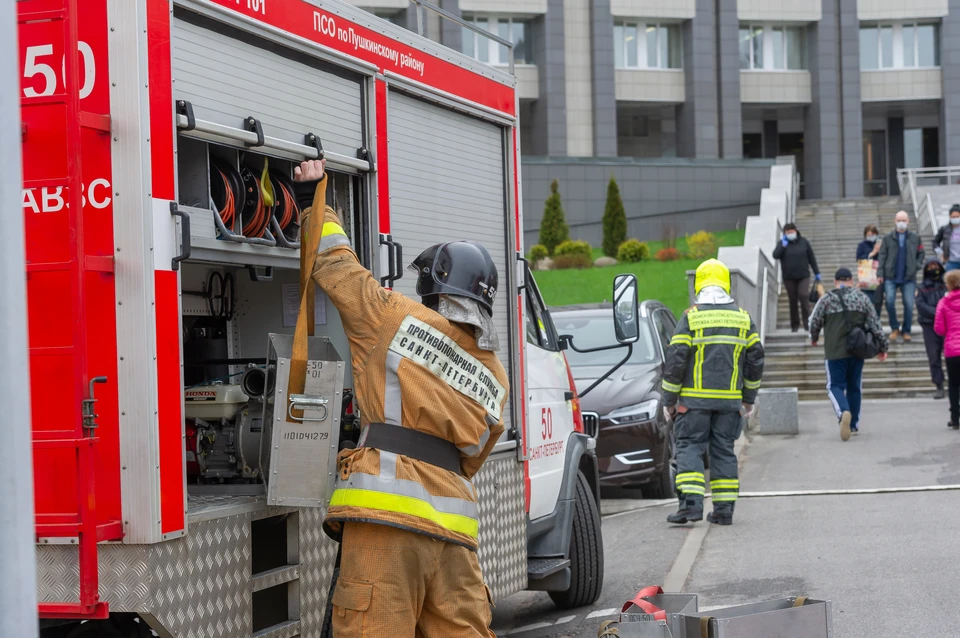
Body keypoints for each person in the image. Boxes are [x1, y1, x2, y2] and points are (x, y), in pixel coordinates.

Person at [293, 159, 508, 637]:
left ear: (433, 288)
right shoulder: (496, 373)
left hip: (385, 522)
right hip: (454, 537)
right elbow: (471, 457)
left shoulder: (393, 317)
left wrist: (314, 201)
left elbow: (336, 265)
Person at [661, 259, 764, 526]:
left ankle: (691, 507)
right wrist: (748, 399)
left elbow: (676, 359)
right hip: (729, 404)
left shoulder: (691, 317)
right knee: (723, 451)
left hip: (692, 404)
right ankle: (724, 511)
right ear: (726, 285)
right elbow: (755, 360)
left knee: (689, 447)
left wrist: (669, 400)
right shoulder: (743, 319)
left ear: (699, 285)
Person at [809, 268, 890, 441]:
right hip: (857, 351)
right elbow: (875, 324)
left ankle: (843, 412)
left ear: (835, 281)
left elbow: (814, 321)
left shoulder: (827, 299)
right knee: (854, 387)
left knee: (834, 386)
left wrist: (814, 337)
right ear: (851, 281)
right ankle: (853, 425)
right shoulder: (862, 298)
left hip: (834, 352)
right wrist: (883, 348)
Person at [877, 211, 925, 342]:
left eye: (904, 220)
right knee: (890, 301)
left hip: (908, 277)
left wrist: (917, 265)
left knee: (909, 304)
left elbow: (921, 253)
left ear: (908, 221)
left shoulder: (915, 238)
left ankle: (906, 330)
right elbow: (882, 256)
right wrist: (880, 273)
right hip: (890, 276)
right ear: (895, 221)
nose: (901, 223)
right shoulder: (888, 238)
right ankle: (894, 327)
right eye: (899, 220)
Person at [773, 222, 821, 332]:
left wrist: (817, 272)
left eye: (792, 232)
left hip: (803, 275)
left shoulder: (804, 242)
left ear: (796, 231)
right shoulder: (782, 244)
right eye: (788, 232)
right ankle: (794, 325)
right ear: (784, 234)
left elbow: (811, 258)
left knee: (804, 296)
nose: (790, 234)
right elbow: (775, 255)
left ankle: (808, 323)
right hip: (789, 277)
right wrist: (783, 246)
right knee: (793, 300)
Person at [916, 259, 947, 399]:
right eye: (930, 266)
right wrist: (938, 312)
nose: (933, 268)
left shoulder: (946, 285)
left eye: (936, 266)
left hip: (948, 326)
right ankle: (939, 385)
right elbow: (921, 306)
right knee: (934, 357)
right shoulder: (922, 287)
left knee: (953, 357)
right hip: (930, 326)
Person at [934, 270, 960, 429]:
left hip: (952, 349)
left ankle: (955, 417)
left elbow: (939, 329)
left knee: (954, 384)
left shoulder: (943, 303)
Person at [855, 224, 883, 317]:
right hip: (866, 278)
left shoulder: (881, 244)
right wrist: (872, 253)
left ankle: (876, 321)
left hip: (878, 276)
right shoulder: (862, 245)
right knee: (867, 301)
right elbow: (859, 259)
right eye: (869, 235)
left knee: (878, 301)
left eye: (873, 234)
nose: (871, 237)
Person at [933, 204, 960, 272]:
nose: (955, 218)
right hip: (951, 262)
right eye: (953, 217)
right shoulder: (944, 229)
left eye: (957, 216)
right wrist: (941, 252)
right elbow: (935, 242)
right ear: (950, 217)